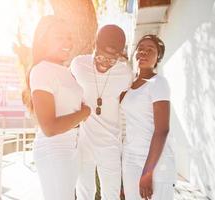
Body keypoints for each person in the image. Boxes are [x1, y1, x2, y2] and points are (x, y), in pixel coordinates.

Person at [23, 15, 91, 200]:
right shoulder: (41, 70)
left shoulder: (66, 71)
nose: (67, 42)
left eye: (68, 37)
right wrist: (85, 112)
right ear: (43, 41)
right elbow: (49, 127)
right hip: (54, 149)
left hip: (71, 146)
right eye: (59, 37)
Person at [70, 25, 133, 199]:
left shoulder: (125, 73)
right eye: (101, 55)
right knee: (84, 192)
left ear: (119, 56)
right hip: (84, 142)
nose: (105, 62)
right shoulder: (78, 65)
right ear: (94, 46)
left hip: (111, 144)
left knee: (111, 194)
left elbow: (126, 104)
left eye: (112, 59)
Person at [120, 34, 176, 200]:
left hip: (155, 161)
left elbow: (162, 130)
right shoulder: (129, 84)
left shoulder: (158, 83)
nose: (143, 52)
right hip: (130, 157)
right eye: (141, 48)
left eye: (150, 50)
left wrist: (147, 172)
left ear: (158, 57)